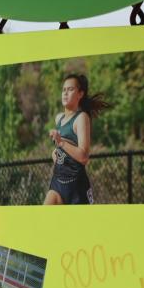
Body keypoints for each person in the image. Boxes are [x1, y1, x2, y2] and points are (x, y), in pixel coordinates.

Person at [45, 74, 110, 206]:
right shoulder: (59, 118)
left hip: (77, 189)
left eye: (70, 89)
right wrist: (55, 152)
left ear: (80, 94)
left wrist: (61, 142)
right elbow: (62, 150)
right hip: (57, 183)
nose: (65, 93)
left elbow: (84, 157)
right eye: (64, 90)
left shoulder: (81, 118)